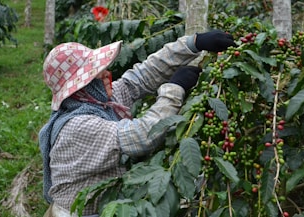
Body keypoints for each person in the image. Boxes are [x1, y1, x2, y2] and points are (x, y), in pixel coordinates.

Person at [39, 29, 236, 217]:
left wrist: (192, 43)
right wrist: (174, 90)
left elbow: (140, 78)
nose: (107, 75)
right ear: (83, 87)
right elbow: (141, 136)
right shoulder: (77, 126)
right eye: (97, 74)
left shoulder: (98, 101)